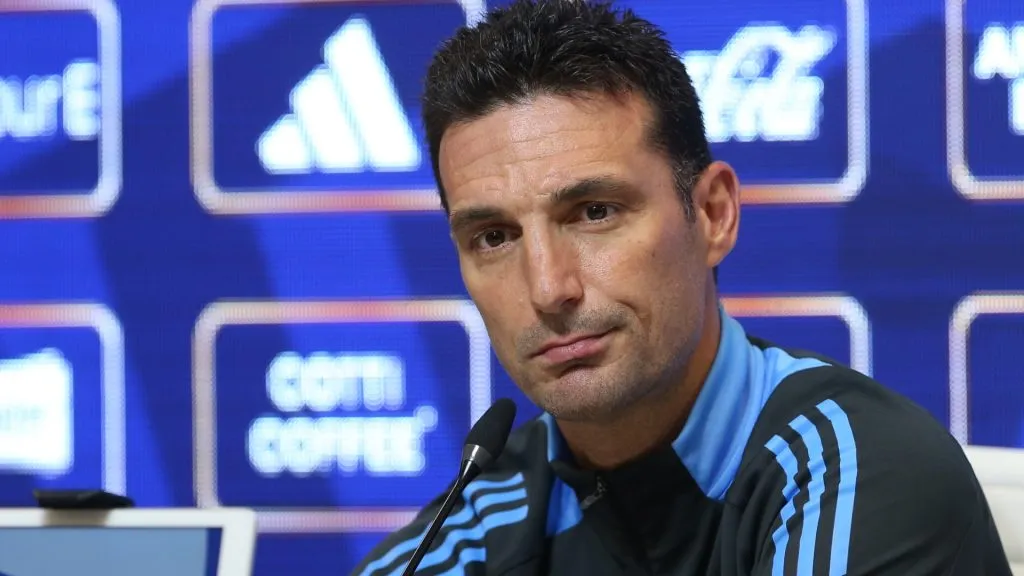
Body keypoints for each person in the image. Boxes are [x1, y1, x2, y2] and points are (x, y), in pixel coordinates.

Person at [352, 1, 1013, 574]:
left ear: (714, 214)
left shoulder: (860, 470)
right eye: (494, 237)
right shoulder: (473, 532)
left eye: (594, 213)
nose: (549, 288)